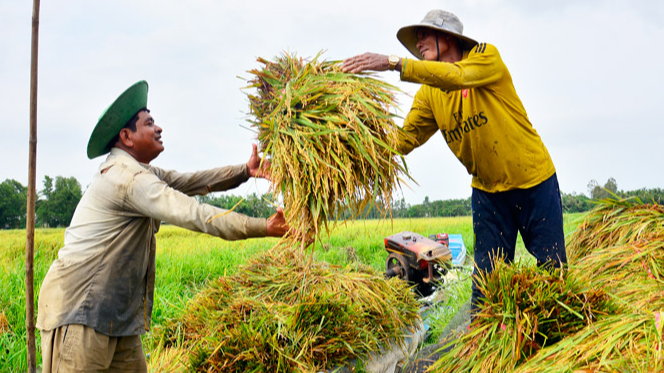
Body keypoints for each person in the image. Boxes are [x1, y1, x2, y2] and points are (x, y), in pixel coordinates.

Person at [36, 80, 289, 372]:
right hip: (79, 314)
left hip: (118, 319)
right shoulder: (126, 178)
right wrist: (264, 226)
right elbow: (191, 212)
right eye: (150, 123)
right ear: (127, 137)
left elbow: (192, 182)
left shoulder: (141, 172)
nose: (159, 128)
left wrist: (245, 171)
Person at [342, 10, 567, 317]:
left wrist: (393, 63)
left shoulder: (486, 58)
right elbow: (403, 141)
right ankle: (482, 350)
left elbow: (457, 77)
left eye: (423, 34)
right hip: (489, 194)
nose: (419, 43)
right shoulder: (429, 95)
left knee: (553, 274)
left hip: (534, 182)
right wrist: (355, 128)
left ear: (447, 36)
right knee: (486, 286)